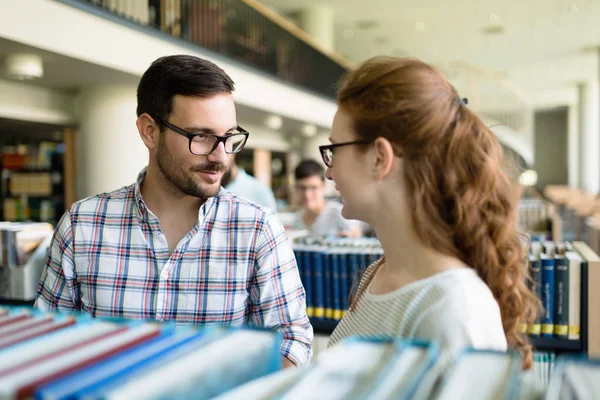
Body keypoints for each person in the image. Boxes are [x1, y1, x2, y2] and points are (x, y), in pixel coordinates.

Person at [35, 55, 312, 367]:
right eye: (201, 136)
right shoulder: (81, 224)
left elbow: (291, 339)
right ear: (150, 131)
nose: (220, 157)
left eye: (228, 137)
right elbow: (47, 340)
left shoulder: (257, 229)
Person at [322, 56, 537, 369]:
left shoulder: (454, 309)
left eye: (334, 150)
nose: (329, 172)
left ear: (380, 158)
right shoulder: (378, 274)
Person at [292, 159, 362, 238]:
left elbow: (357, 236)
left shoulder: (339, 213)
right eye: (302, 188)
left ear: (323, 186)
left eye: (313, 187)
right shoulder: (297, 221)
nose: (307, 194)